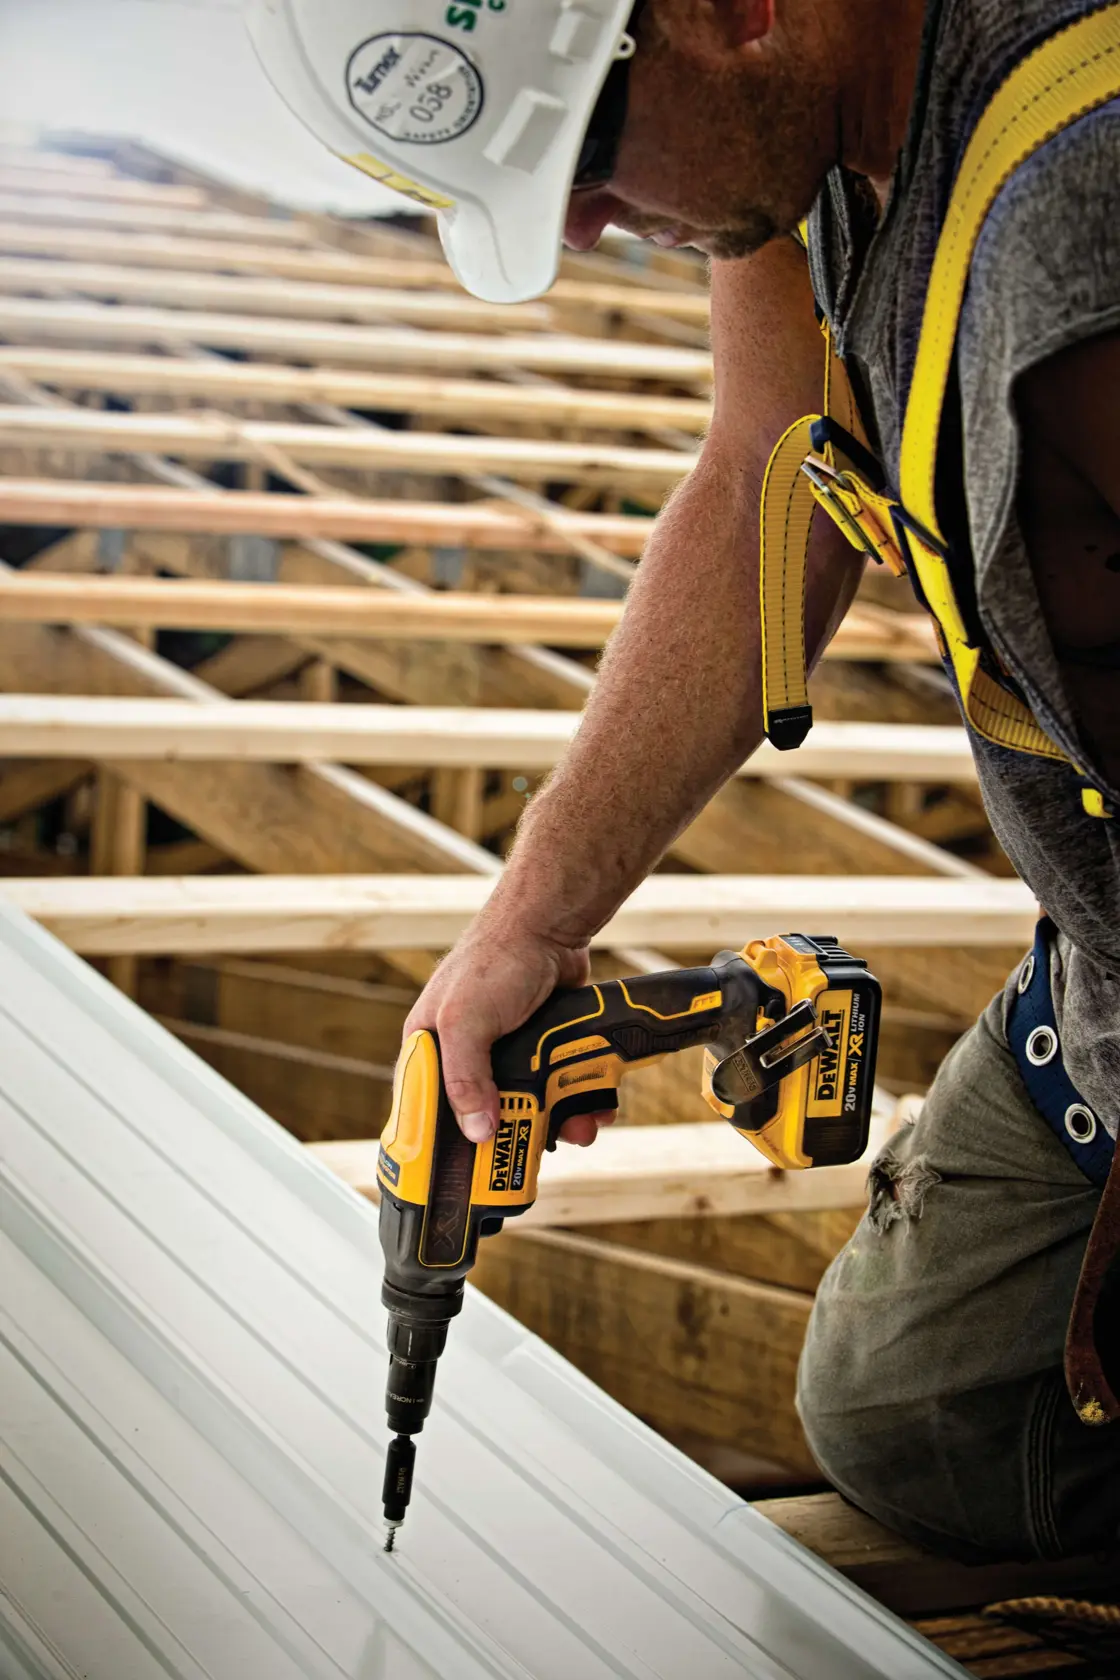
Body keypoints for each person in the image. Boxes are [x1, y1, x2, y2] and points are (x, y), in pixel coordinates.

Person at [251, 0, 1120, 1561]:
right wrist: (531, 919)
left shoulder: (1082, 227)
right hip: (1100, 945)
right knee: (907, 1412)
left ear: (737, 7)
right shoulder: (812, 137)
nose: (580, 227)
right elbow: (758, 474)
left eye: (583, 147)